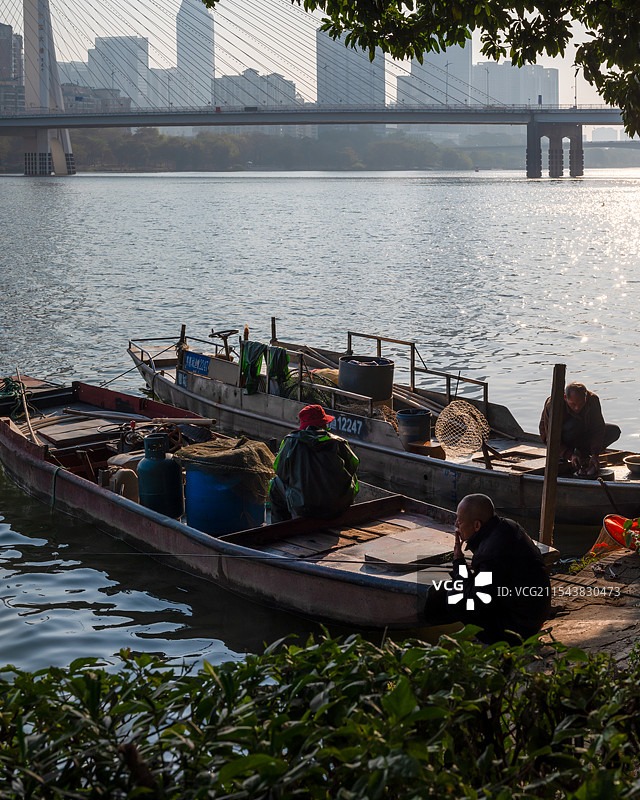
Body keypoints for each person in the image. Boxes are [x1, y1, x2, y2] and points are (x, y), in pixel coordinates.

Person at [425, 494, 551, 644]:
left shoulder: (490, 554)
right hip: (535, 612)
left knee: (454, 597)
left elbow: (474, 598)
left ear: (477, 525)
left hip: (520, 626)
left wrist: (458, 561)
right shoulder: (508, 525)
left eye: (460, 520)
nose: (456, 525)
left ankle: (492, 640)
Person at [268, 404, 360, 523]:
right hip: (338, 506)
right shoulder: (338, 442)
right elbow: (353, 466)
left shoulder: (291, 441)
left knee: (274, 484)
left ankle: (280, 528)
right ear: (324, 423)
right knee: (352, 477)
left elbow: (280, 471)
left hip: (304, 507)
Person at [539, 382, 621, 477]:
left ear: (586, 397)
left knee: (613, 431)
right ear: (565, 398)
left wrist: (595, 454)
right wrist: (569, 455)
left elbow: (598, 429)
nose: (577, 408)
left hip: (582, 432)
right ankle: (564, 455)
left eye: (581, 404)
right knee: (575, 425)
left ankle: (584, 454)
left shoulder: (593, 400)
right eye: (573, 404)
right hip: (562, 436)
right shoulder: (553, 405)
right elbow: (550, 437)